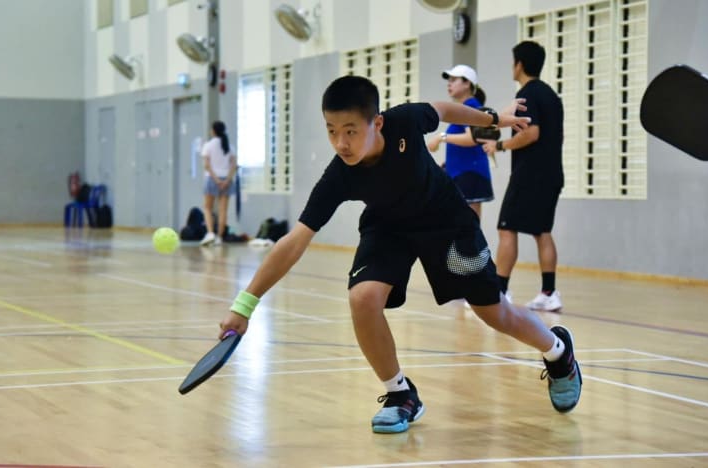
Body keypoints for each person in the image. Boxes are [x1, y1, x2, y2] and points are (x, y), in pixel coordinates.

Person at [218, 76, 582, 434]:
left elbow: (441, 110)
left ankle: (558, 352)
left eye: (350, 131)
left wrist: (492, 119)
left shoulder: (405, 120)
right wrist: (244, 305)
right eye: (331, 131)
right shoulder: (340, 176)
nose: (341, 143)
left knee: (493, 311)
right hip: (388, 227)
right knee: (363, 298)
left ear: (376, 123)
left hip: (447, 222)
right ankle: (400, 394)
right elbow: (295, 241)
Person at [480, 41, 565, 312]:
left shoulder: (527, 95)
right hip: (552, 174)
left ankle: (500, 291)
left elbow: (531, 132)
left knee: (506, 228)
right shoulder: (551, 95)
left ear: (519, 64)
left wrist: (500, 145)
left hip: (530, 175)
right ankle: (549, 292)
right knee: (542, 231)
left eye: (512, 61)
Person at [426, 64, 494, 220]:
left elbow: (472, 138)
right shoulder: (465, 107)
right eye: (448, 80)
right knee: (458, 227)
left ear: (467, 83)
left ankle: (465, 247)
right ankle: (455, 247)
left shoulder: (471, 106)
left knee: (468, 228)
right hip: (460, 174)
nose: (449, 83)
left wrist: (441, 137)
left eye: (454, 79)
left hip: (470, 174)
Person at [199, 121, 237, 246]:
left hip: (212, 179)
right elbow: (233, 166)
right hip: (227, 180)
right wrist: (226, 180)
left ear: (213, 131)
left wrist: (216, 180)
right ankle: (220, 237)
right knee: (223, 210)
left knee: (208, 208)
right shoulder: (229, 146)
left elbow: (207, 165)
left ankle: (210, 233)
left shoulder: (208, 145)